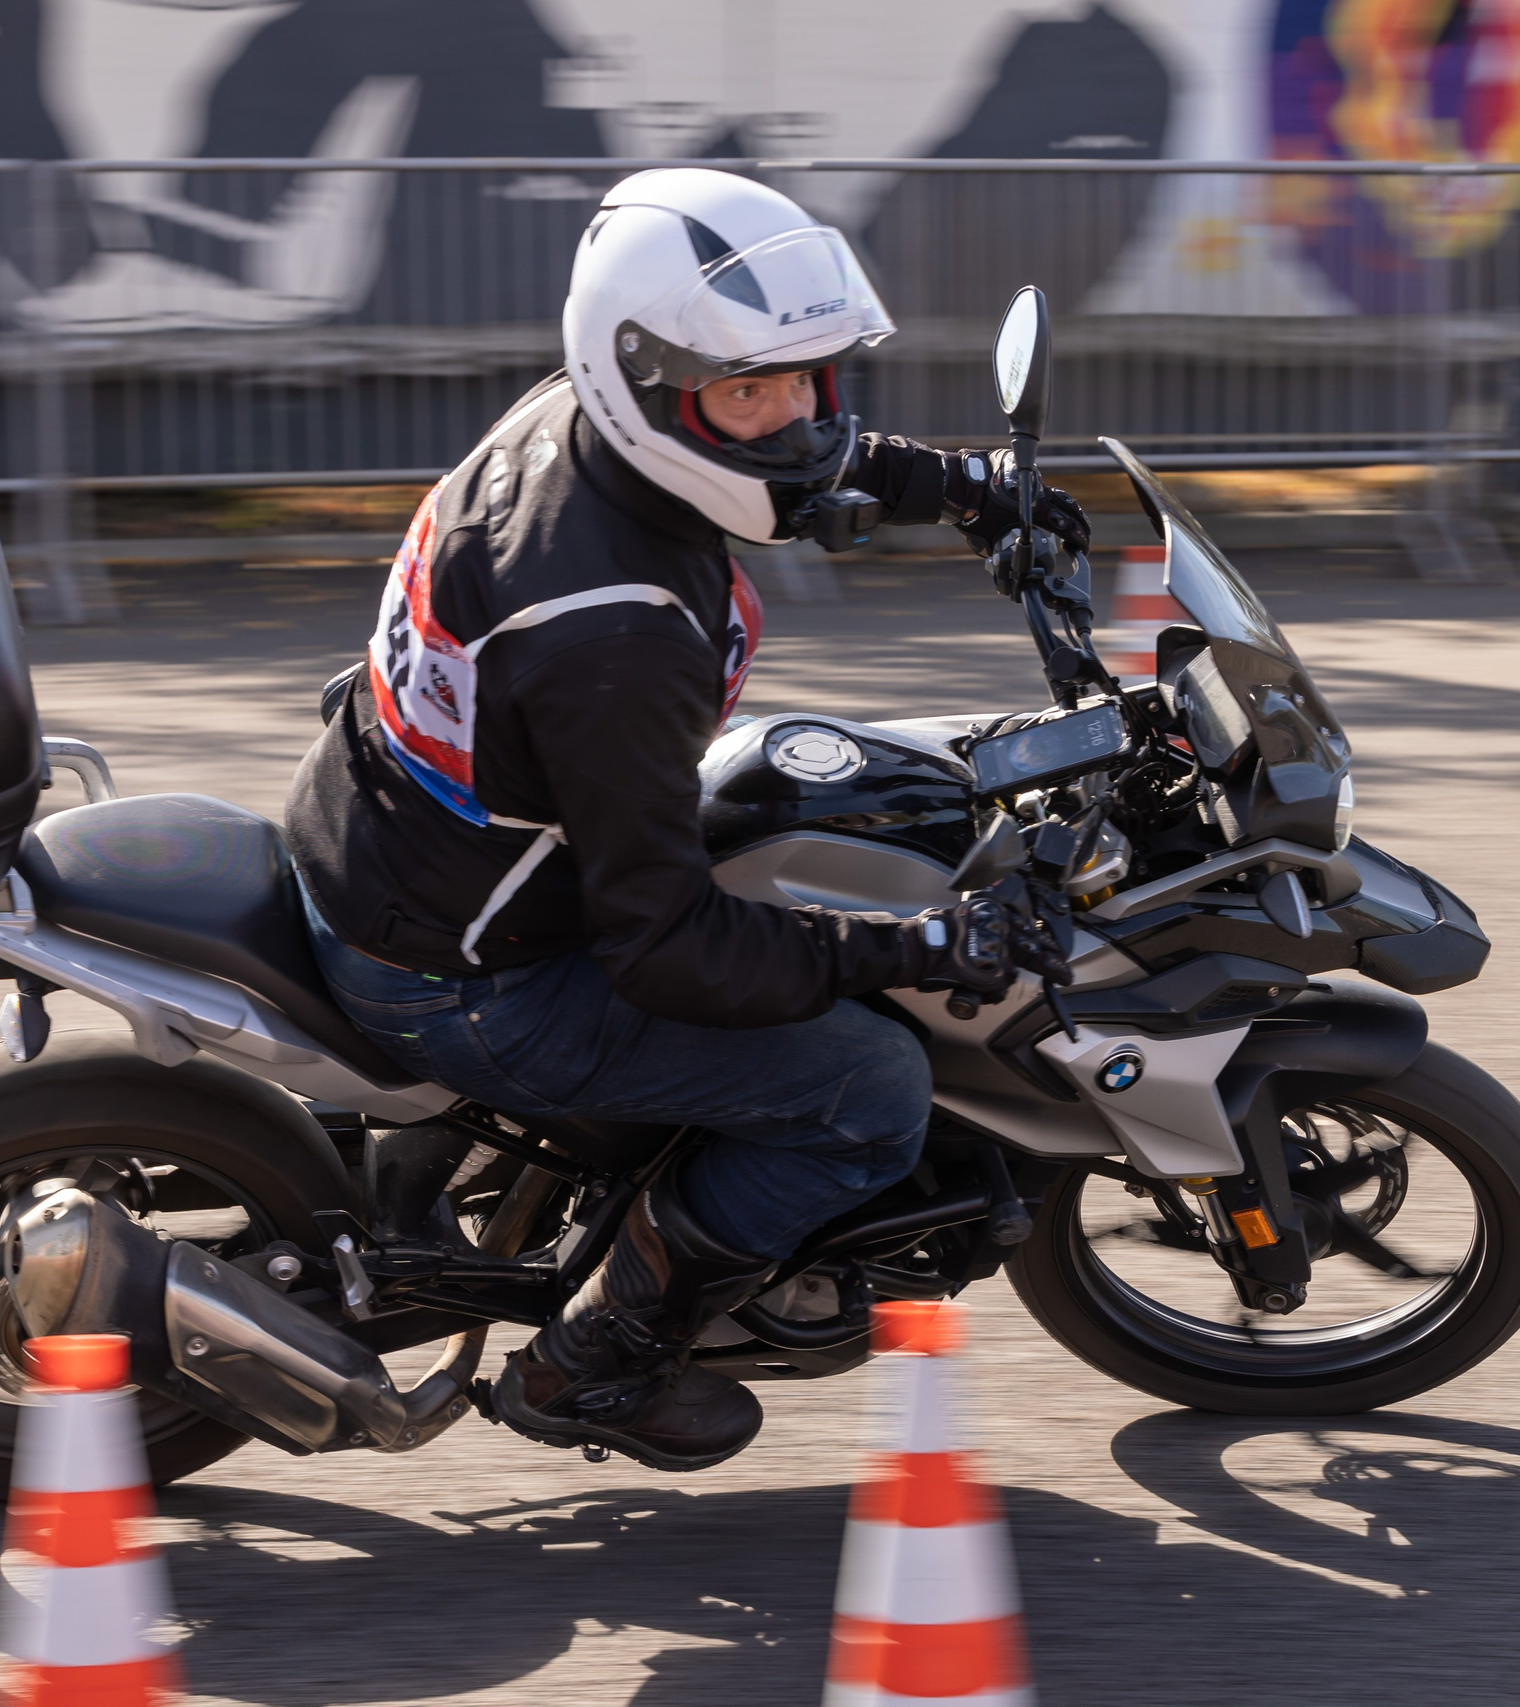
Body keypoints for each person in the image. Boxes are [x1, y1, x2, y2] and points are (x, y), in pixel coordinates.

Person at [287, 167, 1088, 1471]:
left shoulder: (585, 435)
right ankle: (597, 1363)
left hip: (402, 844)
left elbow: (799, 469)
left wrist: (965, 486)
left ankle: (427, 1170)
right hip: (462, 971)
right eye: (747, 393)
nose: (791, 419)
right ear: (653, 386)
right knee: (869, 1086)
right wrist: (924, 948)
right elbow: (667, 949)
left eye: (806, 382)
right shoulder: (616, 625)